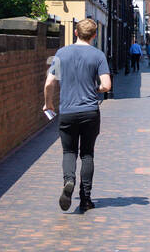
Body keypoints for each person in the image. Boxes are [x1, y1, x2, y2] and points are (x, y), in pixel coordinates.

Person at [44, 18, 111, 213]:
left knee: (69, 152)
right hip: (90, 111)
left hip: (67, 112)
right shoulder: (98, 56)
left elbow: (49, 83)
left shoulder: (61, 53)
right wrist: (94, 89)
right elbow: (106, 86)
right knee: (87, 154)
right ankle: (85, 199)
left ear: (75, 33)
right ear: (94, 35)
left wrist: (48, 104)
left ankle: (69, 180)